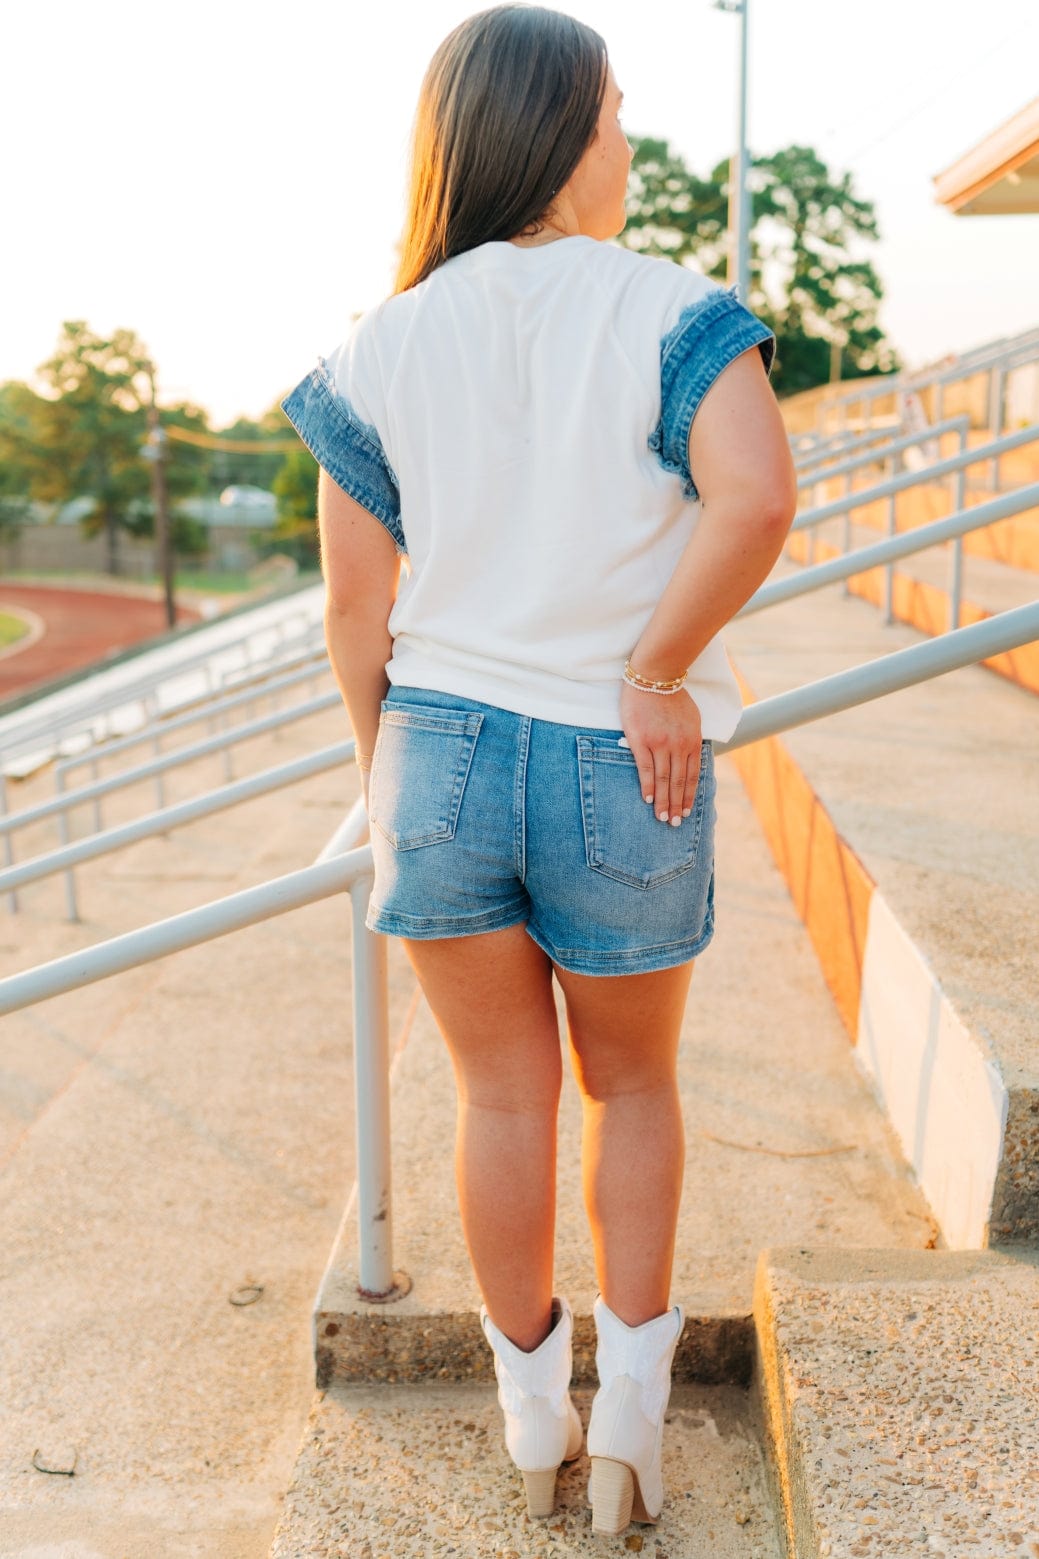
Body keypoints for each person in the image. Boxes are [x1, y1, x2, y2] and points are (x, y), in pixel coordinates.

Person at [282, 3, 796, 1536]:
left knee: (499, 1099)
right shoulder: (670, 308)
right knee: (630, 1084)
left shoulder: (384, 339)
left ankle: (529, 1425)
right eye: (618, 115)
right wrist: (653, 670)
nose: (629, 145)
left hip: (436, 749)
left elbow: (355, 610)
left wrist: (397, 781)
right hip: (613, 752)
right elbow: (755, 500)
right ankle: (628, 1429)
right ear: (563, 136)